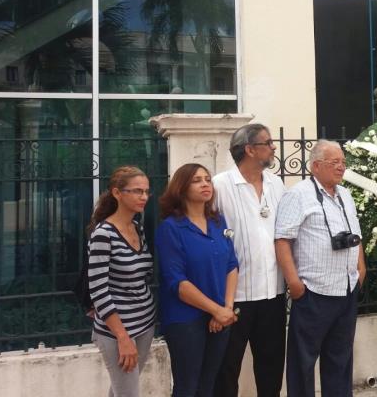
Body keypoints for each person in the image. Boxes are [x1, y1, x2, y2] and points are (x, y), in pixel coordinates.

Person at [275, 140, 366, 397]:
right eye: (334, 162)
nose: (341, 167)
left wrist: (361, 269)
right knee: (302, 362)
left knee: (340, 359)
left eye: (343, 162)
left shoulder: (345, 195)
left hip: (346, 289)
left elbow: (356, 235)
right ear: (315, 166)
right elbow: (282, 239)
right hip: (314, 291)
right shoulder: (299, 194)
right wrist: (294, 282)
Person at [213, 124, 287, 397]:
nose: (273, 147)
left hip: (273, 293)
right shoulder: (221, 185)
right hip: (236, 295)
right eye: (268, 143)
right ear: (250, 149)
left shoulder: (276, 183)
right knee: (227, 367)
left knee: (271, 366)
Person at [157, 163, 239, 397]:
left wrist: (226, 308)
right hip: (185, 320)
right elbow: (177, 282)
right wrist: (216, 310)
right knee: (187, 386)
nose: (205, 184)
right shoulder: (171, 228)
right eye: (196, 180)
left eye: (207, 179)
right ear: (181, 188)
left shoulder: (218, 222)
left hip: (220, 316)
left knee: (208, 385)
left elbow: (232, 265)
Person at [87, 166, 156, 397]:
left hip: (145, 323)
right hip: (118, 331)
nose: (144, 197)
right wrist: (122, 337)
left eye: (146, 191)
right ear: (117, 193)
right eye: (137, 191)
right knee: (129, 393)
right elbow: (98, 290)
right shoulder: (103, 234)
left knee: (121, 391)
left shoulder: (137, 228)